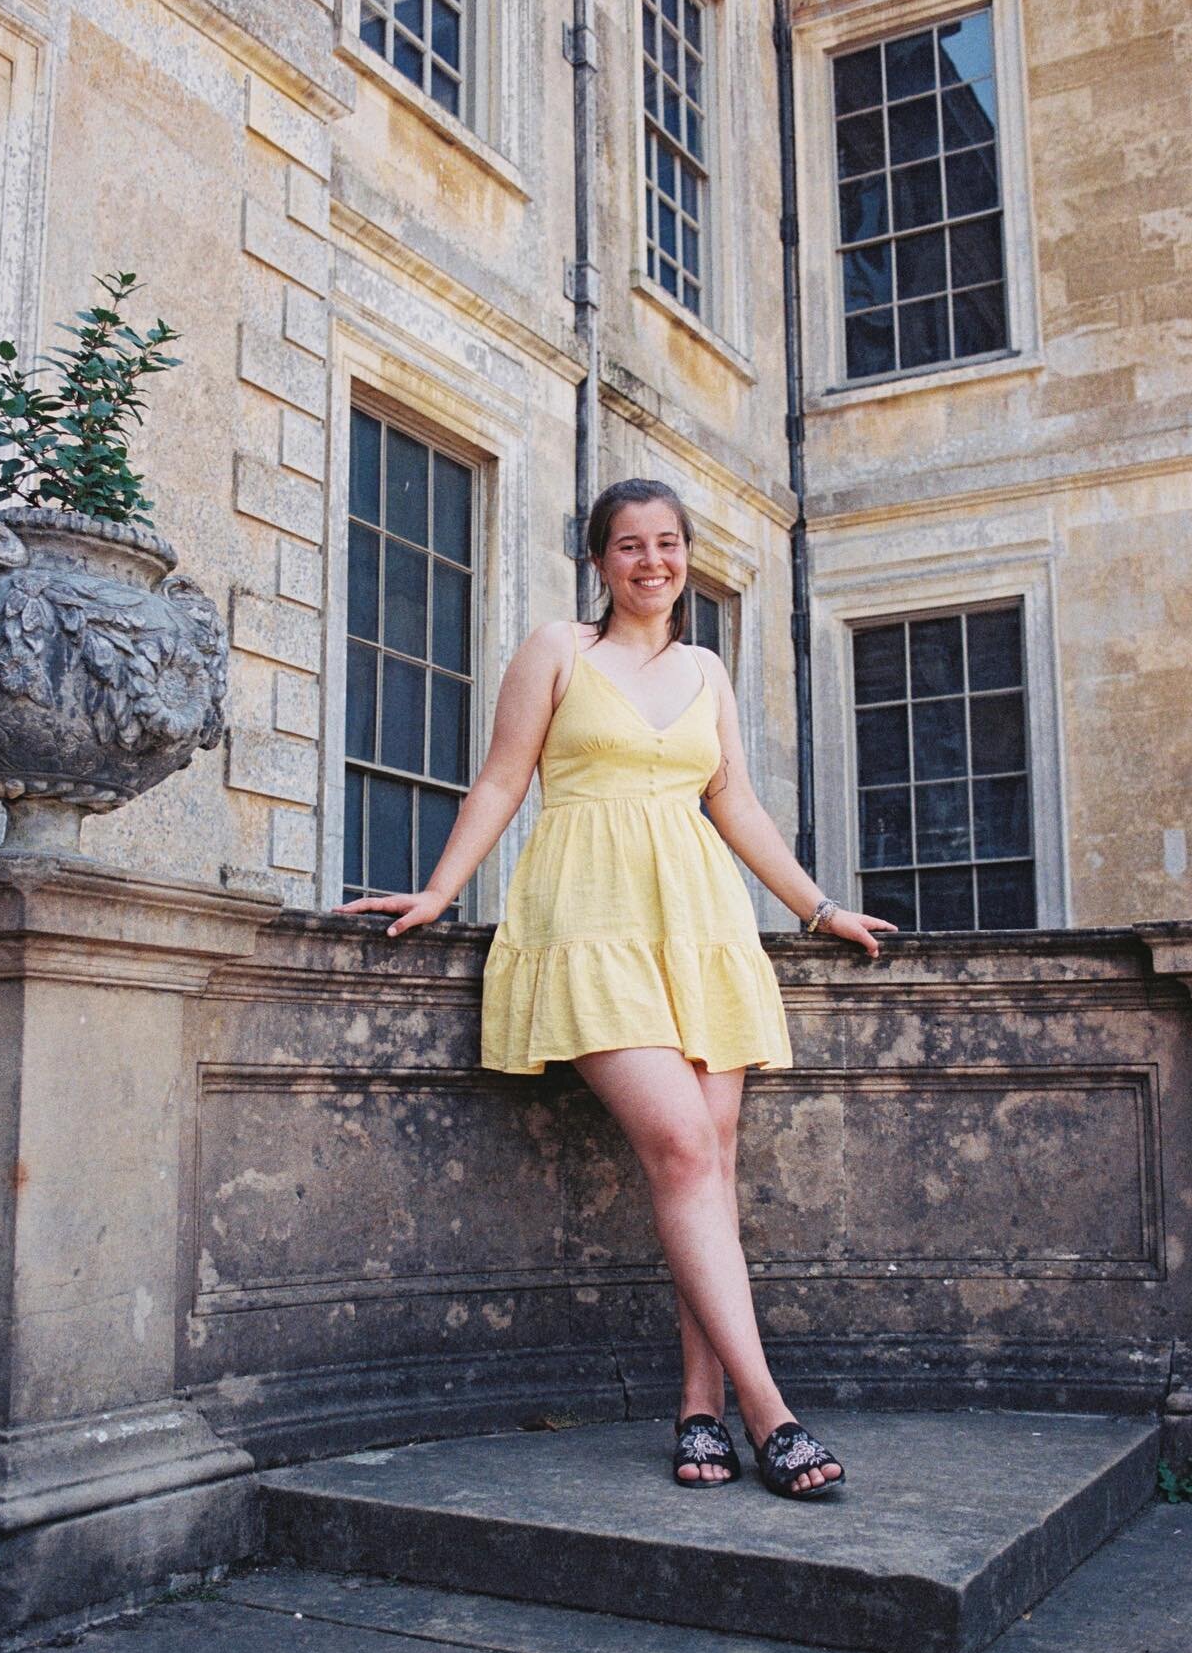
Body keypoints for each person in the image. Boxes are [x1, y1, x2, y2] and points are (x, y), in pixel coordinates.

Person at [338, 478, 895, 1498]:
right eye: (629, 546)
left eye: (668, 544)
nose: (651, 562)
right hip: (589, 914)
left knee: (711, 1167)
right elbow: (505, 777)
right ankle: (773, 1413)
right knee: (681, 1146)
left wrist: (819, 910)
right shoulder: (559, 649)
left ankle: (700, 1410)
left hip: (701, 923)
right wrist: (439, 890)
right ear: (598, 561)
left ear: (686, 557)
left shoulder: (707, 670)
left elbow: (733, 800)